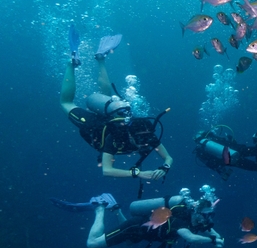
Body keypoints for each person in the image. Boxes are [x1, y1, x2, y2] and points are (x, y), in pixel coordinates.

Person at [60, 31, 173, 180]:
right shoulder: (116, 137)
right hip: (94, 126)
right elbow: (107, 170)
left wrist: (165, 167)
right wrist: (138, 174)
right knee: (66, 103)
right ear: (130, 134)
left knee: (106, 96)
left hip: (111, 115)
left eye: (147, 140)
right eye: (140, 141)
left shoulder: (148, 136)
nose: (145, 145)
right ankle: (71, 64)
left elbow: (169, 158)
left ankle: (100, 59)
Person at [83, 187, 224, 248]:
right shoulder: (180, 222)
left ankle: (117, 210)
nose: (207, 219)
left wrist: (217, 236)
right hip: (136, 226)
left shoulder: (195, 219)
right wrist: (212, 240)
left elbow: (209, 229)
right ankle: (100, 209)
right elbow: (192, 238)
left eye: (210, 215)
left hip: (143, 232)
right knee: (92, 243)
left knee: (129, 242)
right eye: (205, 215)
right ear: (196, 212)